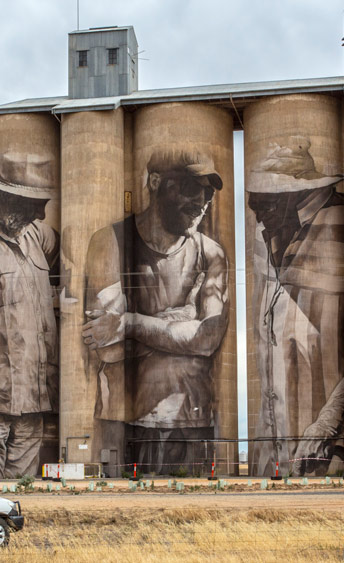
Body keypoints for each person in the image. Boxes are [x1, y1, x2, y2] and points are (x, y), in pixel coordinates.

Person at [245, 137, 344, 477]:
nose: (259, 217)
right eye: (254, 207)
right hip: (274, 443)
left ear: (294, 195)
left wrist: (327, 425)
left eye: (265, 205)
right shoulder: (267, 239)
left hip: (322, 444)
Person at [82, 151, 230, 473]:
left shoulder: (210, 253)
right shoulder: (110, 243)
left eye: (207, 193)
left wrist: (130, 322)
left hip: (193, 421)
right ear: (156, 182)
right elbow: (109, 348)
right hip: (123, 422)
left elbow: (207, 339)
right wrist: (184, 315)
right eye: (192, 188)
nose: (202, 202)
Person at [0, 154, 61, 479]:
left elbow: (71, 250)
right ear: (6, 196)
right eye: (35, 204)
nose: (41, 214)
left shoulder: (33, 234)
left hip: (34, 399)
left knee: (20, 499)